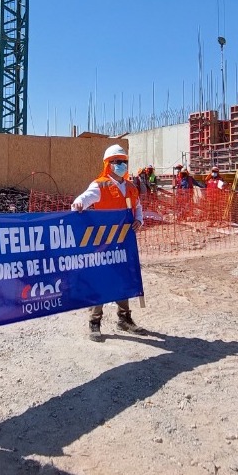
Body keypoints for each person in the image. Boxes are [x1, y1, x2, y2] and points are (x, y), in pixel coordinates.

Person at [71, 144, 146, 342]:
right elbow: (82, 200)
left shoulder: (130, 187)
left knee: (123, 279)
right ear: (108, 164)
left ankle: (124, 319)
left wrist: (139, 220)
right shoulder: (100, 185)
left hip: (123, 242)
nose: (120, 165)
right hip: (103, 243)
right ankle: (95, 322)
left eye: (123, 161)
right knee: (101, 280)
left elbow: (137, 207)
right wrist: (78, 205)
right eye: (116, 162)